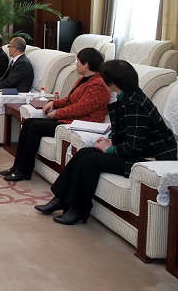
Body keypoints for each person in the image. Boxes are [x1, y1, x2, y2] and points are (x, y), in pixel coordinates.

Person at [36, 59, 177, 225]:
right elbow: (129, 132)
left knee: (92, 161)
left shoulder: (135, 103)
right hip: (139, 151)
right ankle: (60, 199)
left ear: (113, 81)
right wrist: (110, 141)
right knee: (83, 153)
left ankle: (79, 210)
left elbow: (134, 146)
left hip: (150, 159)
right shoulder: (128, 96)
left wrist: (110, 149)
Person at [1, 48, 110, 182]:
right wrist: (53, 103)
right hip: (71, 118)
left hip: (81, 122)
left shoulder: (98, 85)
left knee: (35, 127)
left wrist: (56, 114)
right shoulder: (83, 79)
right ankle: (17, 166)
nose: (76, 64)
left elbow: (80, 109)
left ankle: (24, 171)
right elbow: (69, 100)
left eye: (78, 61)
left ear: (86, 64)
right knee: (29, 122)